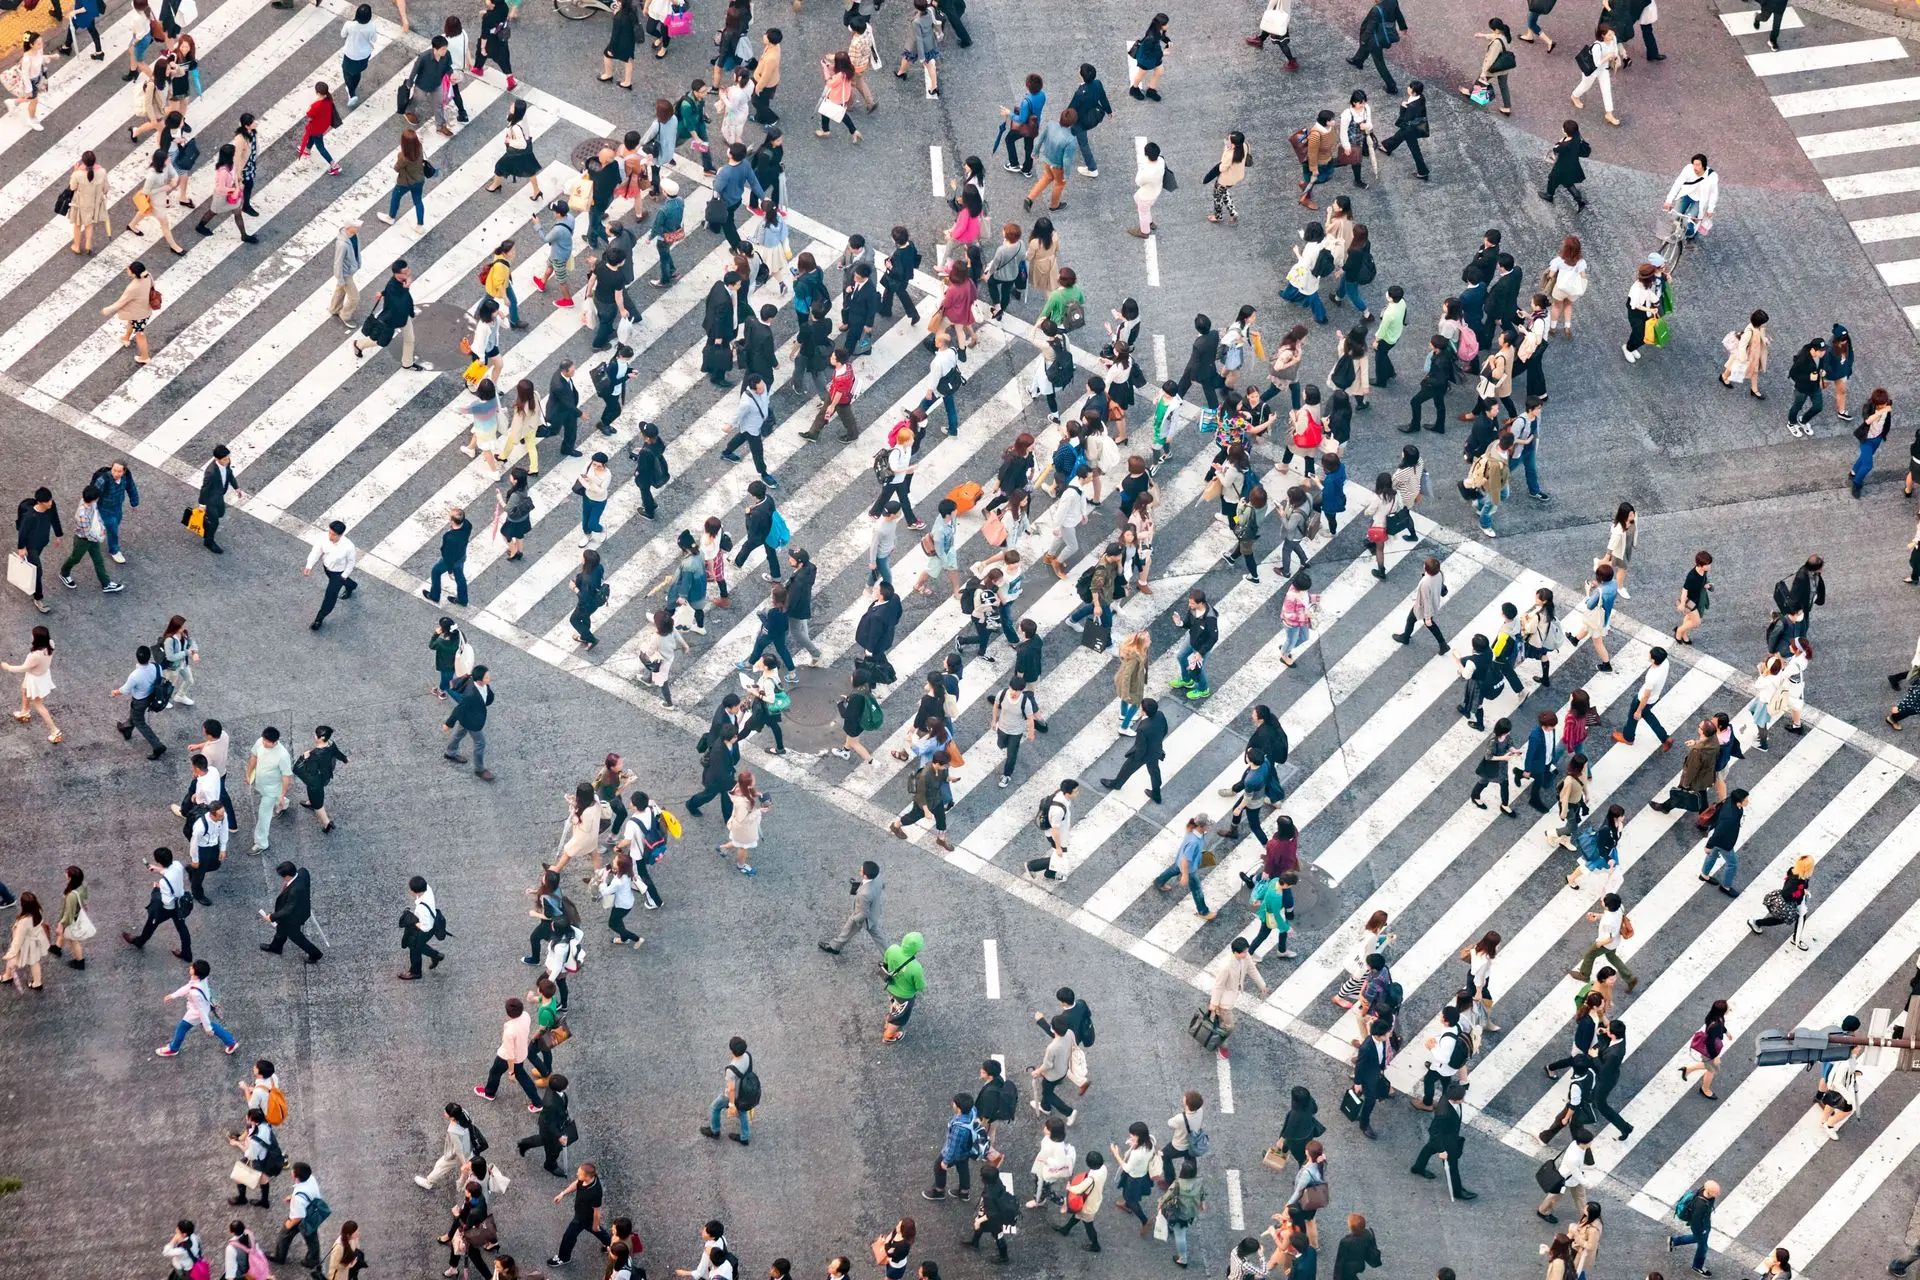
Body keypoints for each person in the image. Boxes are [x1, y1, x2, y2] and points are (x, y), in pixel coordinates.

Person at [260, 861, 322, 964]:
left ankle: (315, 953)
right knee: (281, 930)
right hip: (301, 909)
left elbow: (288, 910)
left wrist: (272, 917)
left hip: (293, 918)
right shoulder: (303, 872)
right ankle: (276, 947)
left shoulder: (294, 891)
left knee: (296, 937)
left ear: (287, 876)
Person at [702, 1035, 755, 1144]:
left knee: (715, 1107)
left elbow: (731, 1089)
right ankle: (745, 1138)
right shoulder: (747, 1056)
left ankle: (715, 1131)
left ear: (732, 1052)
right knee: (743, 1112)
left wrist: (731, 1105)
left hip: (735, 1096)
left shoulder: (731, 1069)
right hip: (745, 1092)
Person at [1668, 1180, 1719, 1274]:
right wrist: (1702, 1232)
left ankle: (1674, 1241)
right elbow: (1695, 1222)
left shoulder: (1706, 1194)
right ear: (1708, 1191)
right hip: (1701, 1227)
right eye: (1716, 1193)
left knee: (1696, 1239)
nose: (1718, 1194)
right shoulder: (1700, 1205)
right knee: (1703, 1247)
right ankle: (1697, 1266)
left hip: (1705, 1223)